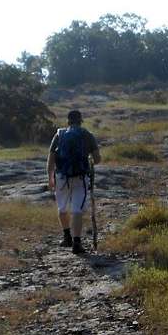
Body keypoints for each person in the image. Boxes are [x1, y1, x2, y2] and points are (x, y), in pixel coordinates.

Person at [47, 109, 101, 254]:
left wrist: (50, 177)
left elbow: (51, 158)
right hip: (80, 177)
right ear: (80, 120)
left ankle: (67, 237)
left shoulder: (59, 134)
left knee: (62, 208)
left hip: (61, 177)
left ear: (68, 121)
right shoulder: (87, 135)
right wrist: (89, 160)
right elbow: (97, 159)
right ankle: (77, 243)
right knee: (77, 210)